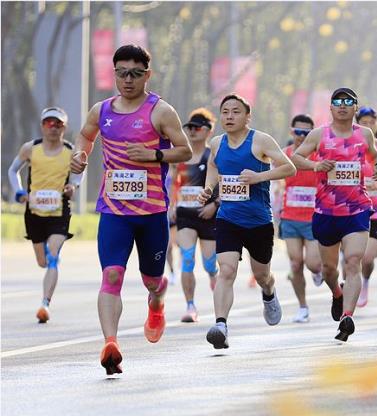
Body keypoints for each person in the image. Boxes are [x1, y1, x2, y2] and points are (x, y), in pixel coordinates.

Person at [70, 45, 192, 374]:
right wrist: (79, 156)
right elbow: (85, 137)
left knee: (152, 280)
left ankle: (157, 299)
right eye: (122, 73)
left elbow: (185, 151)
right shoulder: (101, 110)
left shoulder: (161, 111)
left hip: (151, 213)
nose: (127, 80)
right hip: (114, 212)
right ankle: (110, 343)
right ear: (114, 74)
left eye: (135, 74)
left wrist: (154, 156)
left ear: (147, 75)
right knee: (112, 275)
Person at [198, 94, 296, 349]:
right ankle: (221, 326)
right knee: (226, 270)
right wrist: (208, 188)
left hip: (258, 221)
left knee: (262, 275)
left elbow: (289, 168)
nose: (229, 116)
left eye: (236, 111)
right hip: (228, 219)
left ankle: (269, 293)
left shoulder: (261, 140)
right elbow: (213, 166)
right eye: (225, 112)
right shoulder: (217, 143)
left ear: (247, 116)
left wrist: (258, 177)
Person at [291, 87, 377, 342]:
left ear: (355, 107)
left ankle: (347, 317)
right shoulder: (319, 134)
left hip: (357, 209)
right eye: (337, 101)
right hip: (326, 211)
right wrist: (316, 165)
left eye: (348, 101)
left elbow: (376, 156)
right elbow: (296, 158)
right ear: (331, 107)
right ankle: (336, 292)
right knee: (329, 269)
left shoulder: (364, 134)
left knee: (353, 261)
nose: (342, 105)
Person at [8, 107, 79, 323]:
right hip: (34, 212)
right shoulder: (30, 148)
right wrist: (19, 192)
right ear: (42, 126)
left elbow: (80, 172)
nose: (53, 128)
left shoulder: (70, 151)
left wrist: (73, 185)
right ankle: (48, 257)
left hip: (59, 211)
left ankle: (45, 304)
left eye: (58, 124)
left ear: (64, 127)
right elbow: (13, 170)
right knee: (42, 261)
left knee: (53, 256)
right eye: (49, 123)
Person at [170, 108, 219, 322]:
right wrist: (171, 204)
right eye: (189, 127)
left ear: (208, 130)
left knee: (209, 264)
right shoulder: (181, 155)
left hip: (208, 215)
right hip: (185, 216)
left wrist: (215, 205)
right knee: (187, 258)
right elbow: (173, 182)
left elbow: (226, 183)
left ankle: (215, 279)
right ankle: (190, 306)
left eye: (197, 128)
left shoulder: (213, 156)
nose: (191, 131)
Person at [278, 114, 323, 323]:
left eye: (307, 133)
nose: (302, 136)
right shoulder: (284, 155)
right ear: (291, 132)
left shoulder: (319, 156)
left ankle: (318, 270)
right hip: (290, 218)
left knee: (313, 264)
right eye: (298, 132)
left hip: (314, 219)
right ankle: (303, 307)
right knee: (295, 264)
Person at [355, 106, 377, 307]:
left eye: (371, 122)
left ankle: (365, 282)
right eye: (364, 123)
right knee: (351, 257)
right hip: (351, 208)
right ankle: (350, 287)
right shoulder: (349, 146)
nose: (368, 126)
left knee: (367, 258)